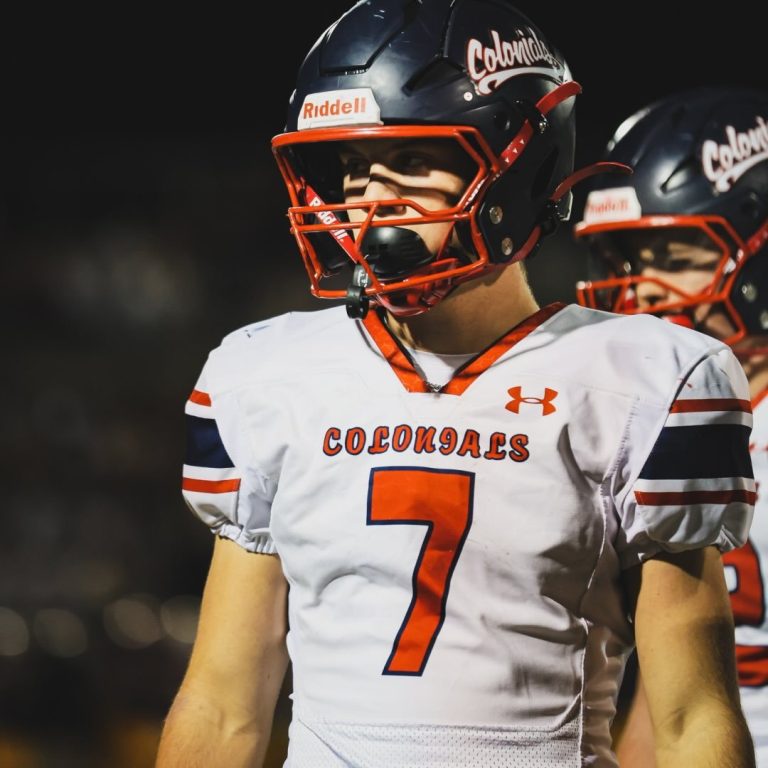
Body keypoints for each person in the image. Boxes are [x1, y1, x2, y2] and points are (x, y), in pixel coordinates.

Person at [155, 3, 756, 766]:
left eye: (411, 160)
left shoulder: (645, 379)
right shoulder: (266, 373)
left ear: (521, 167)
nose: (371, 199)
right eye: (351, 168)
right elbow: (221, 706)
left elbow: (690, 716)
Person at [573, 85, 768, 766]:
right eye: (628, 261)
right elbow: (668, 697)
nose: (644, 288)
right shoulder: (641, 432)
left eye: (677, 258)